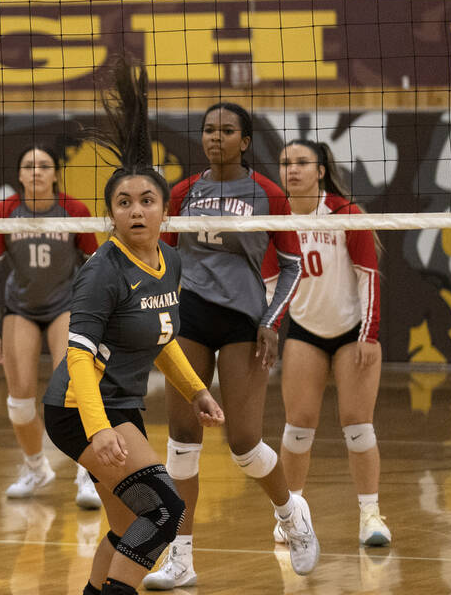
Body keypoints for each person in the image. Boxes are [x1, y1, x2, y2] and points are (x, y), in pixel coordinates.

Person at [42, 57, 225, 595]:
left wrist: (196, 392)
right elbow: (77, 358)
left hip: (119, 405)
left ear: (164, 210)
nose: (136, 211)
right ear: (112, 215)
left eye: (147, 201)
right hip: (79, 407)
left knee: (127, 525)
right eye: (124, 203)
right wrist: (99, 430)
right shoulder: (102, 272)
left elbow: (160, 338)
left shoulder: (171, 260)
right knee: (164, 512)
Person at [143, 102, 317, 590]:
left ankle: (292, 514)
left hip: (244, 319)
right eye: (208, 130)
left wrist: (271, 321)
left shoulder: (268, 193)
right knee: (181, 438)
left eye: (226, 130)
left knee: (242, 441)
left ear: (245, 141)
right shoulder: (182, 192)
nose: (215, 137)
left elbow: (292, 265)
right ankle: (181, 558)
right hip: (190, 316)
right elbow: (165, 258)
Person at [266, 139, 389, 546]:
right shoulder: (276, 219)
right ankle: (292, 517)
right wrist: (268, 330)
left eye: (302, 162)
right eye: (285, 163)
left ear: (320, 171)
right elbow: (271, 287)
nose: (292, 170)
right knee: (297, 428)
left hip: (352, 331)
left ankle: (370, 515)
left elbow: (367, 276)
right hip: (306, 331)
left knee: (358, 428)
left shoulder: (345, 214)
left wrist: (368, 335)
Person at [0, 145, 101, 507]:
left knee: (75, 392)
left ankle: (87, 475)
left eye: (44, 166)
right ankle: (35, 467)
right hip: (21, 310)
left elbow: (94, 268)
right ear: (19, 175)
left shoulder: (74, 211)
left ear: (54, 174)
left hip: (65, 307)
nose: (36, 172)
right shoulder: (3, 213)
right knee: (19, 403)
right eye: (29, 165)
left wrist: (95, 318)